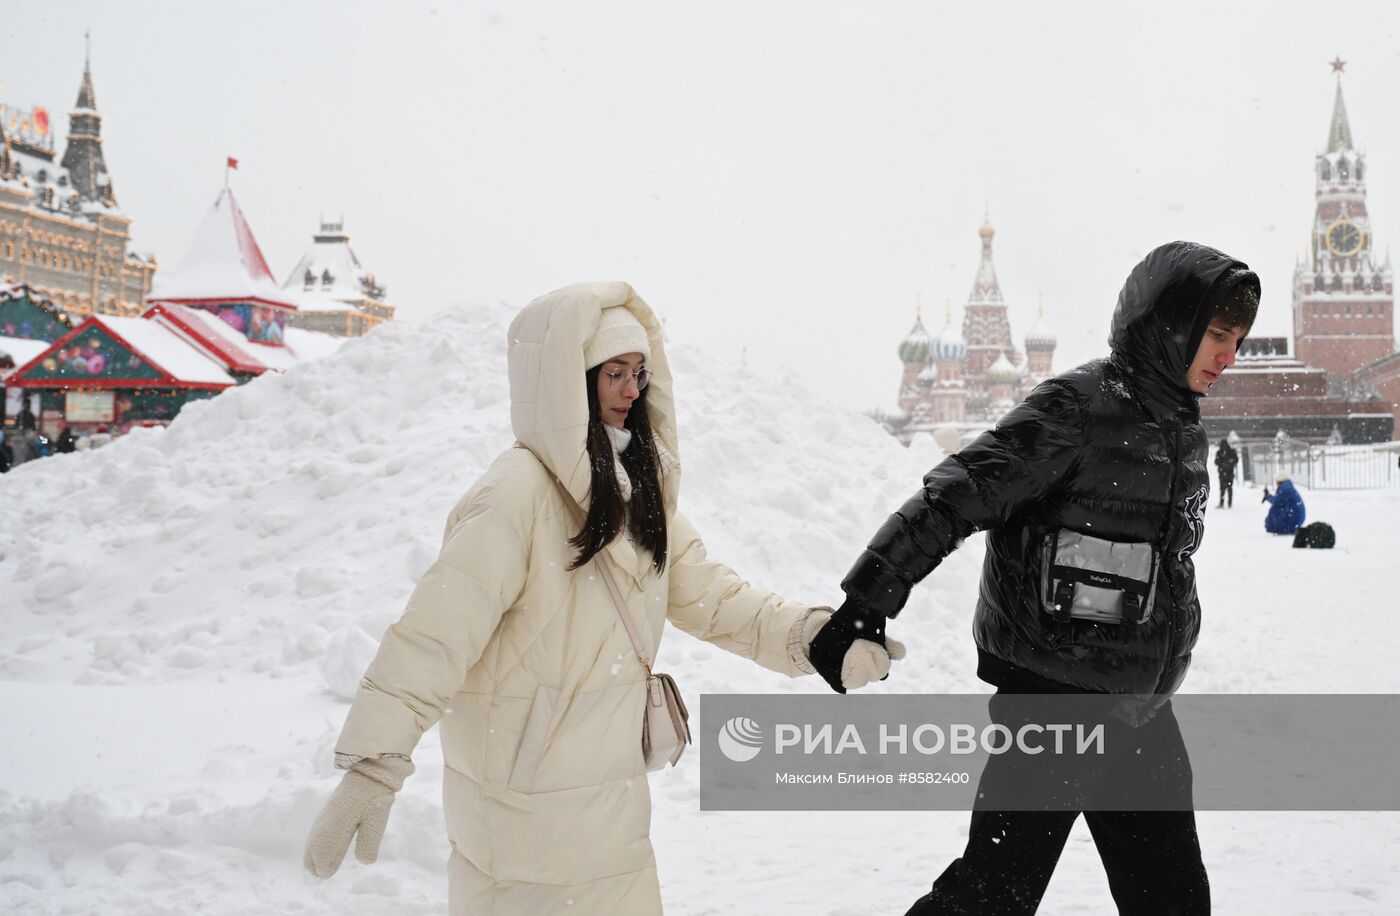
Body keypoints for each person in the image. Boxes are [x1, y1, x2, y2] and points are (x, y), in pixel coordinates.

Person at [302, 282, 902, 915]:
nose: (631, 389)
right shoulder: (516, 495)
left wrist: (812, 638)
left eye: (639, 373)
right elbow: (434, 636)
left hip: (610, 807)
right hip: (520, 809)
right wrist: (375, 761)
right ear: (567, 380)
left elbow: (713, 595)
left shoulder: (636, 491)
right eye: (613, 372)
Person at [809, 241, 1260, 915]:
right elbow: (954, 497)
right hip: (1054, 698)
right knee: (991, 898)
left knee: (1174, 901)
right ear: (1172, 326)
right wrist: (867, 599)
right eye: (1218, 336)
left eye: (1238, 340)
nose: (1229, 356)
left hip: (1140, 707)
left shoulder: (1181, 428)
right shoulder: (1077, 408)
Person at [1262, 471, 1305, 535]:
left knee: (1274, 510)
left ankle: (1285, 529)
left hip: (1295, 518)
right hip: (1297, 517)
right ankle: (1288, 528)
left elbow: (1276, 501)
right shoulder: (1288, 487)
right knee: (1277, 509)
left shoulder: (1285, 489)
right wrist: (1268, 496)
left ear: (1279, 481)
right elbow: (1279, 500)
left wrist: (1267, 496)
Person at [1213, 437, 1238, 508]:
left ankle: (1224, 503)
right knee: (1226, 488)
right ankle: (1226, 503)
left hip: (1225, 472)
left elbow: (1235, 460)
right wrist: (1225, 463)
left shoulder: (1226, 452)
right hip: (1225, 472)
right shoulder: (1225, 452)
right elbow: (1216, 462)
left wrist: (1226, 463)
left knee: (1224, 488)